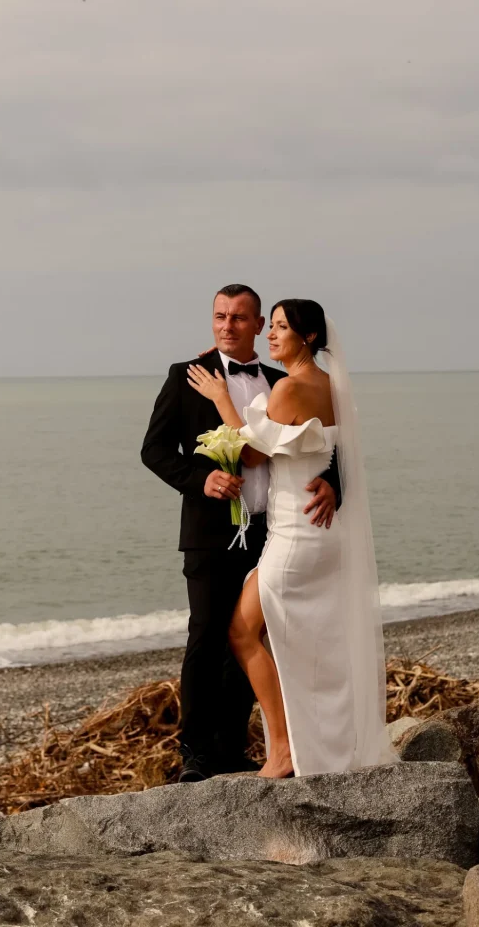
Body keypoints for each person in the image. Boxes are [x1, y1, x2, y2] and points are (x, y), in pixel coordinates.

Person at [186, 298, 395, 777]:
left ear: (310, 338)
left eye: (281, 327)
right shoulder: (331, 387)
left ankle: (282, 750)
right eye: (272, 326)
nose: (271, 335)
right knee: (310, 643)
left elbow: (254, 456)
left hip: (296, 535)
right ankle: (317, 747)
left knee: (241, 632)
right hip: (317, 531)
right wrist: (334, 483)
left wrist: (222, 398)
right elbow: (339, 453)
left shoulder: (289, 390)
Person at [141, 285, 340, 782]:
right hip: (210, 533)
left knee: (250, 638)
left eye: (239, 318)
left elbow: (324, 444)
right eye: (219, 316)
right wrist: (199, 478)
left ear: (257, 326)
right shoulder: (186, 377)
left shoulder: (281, 378)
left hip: (271, 533)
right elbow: (155, 450)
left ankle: (231, 746)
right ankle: (196, 753)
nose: (227, 326)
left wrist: (334, 483)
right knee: (207, 636)